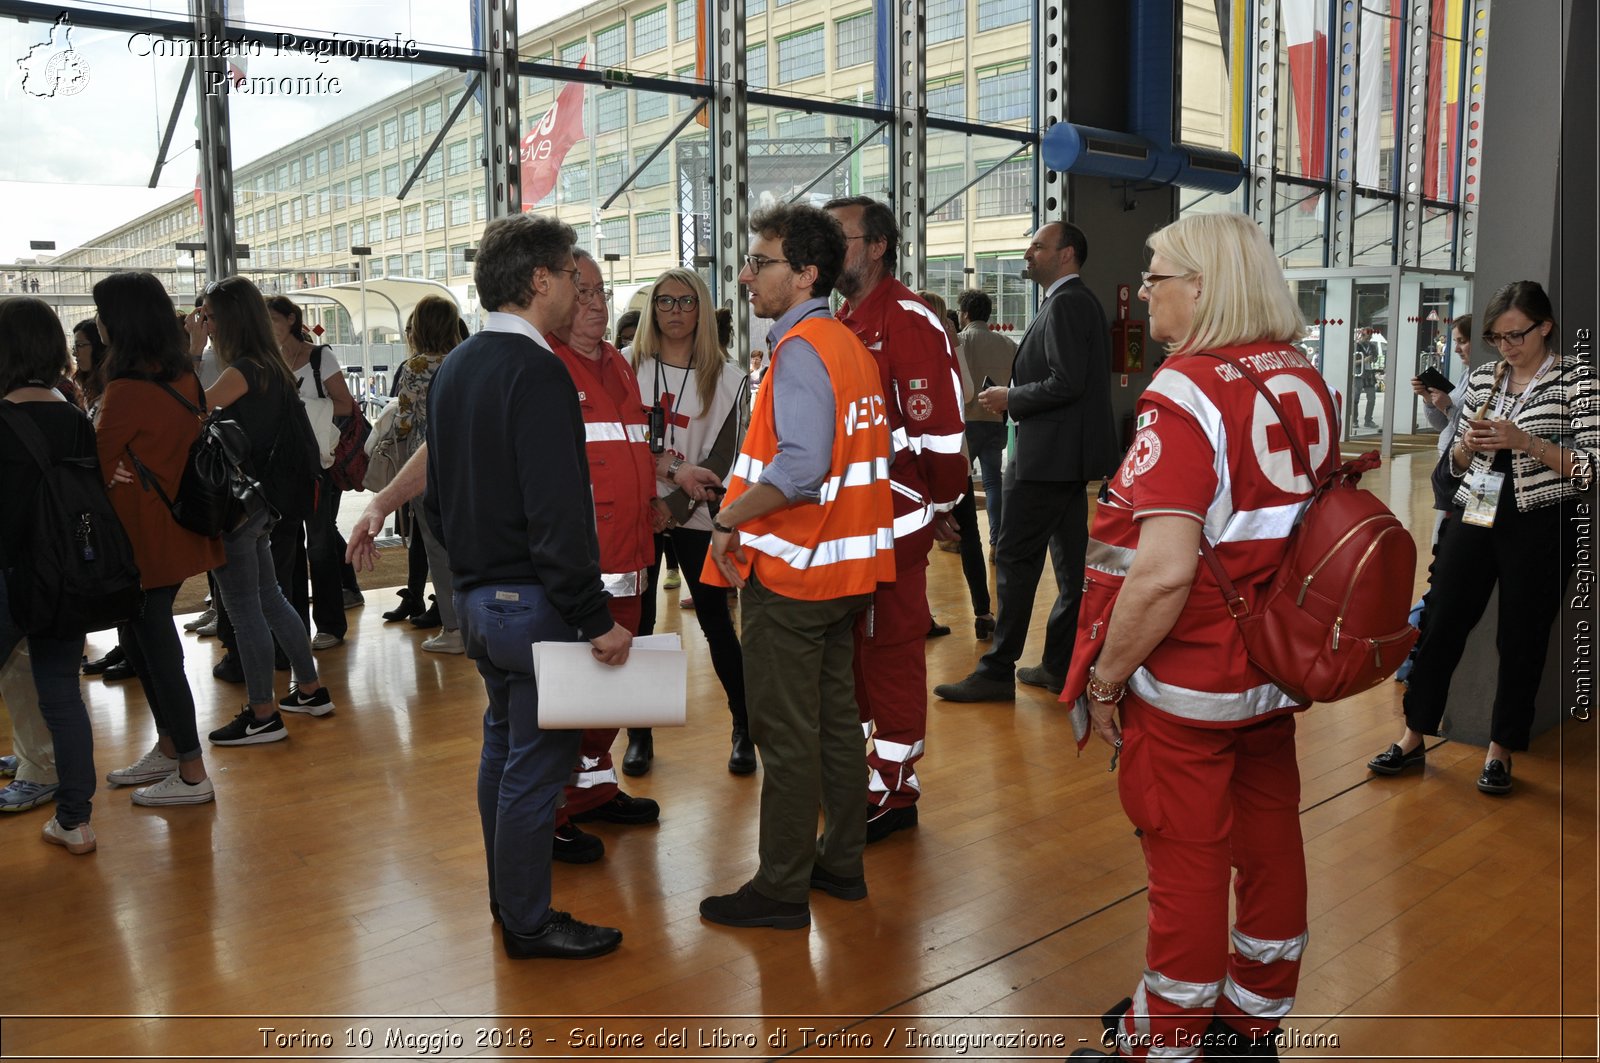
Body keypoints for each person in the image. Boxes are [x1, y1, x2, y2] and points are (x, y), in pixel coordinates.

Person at [1065, 212, 1330, 1060]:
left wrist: (1105, 680)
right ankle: (1252, 1022)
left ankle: (1163, 1044)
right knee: (1271, 844)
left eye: (1157, 276)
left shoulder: (1187, 389)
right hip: (1273, 666)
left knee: (1184, 865)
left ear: (1204, 287)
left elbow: (1163, 570)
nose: (1143, 293)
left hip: (1191, 679)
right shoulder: (1302, 374)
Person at [417, 214, 718, 960]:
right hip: (533, 600)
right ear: (540, 281)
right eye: (568, 276)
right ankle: (526, 919)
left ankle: (505, 897)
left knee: (502, 747)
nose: (580, 291)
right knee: (537, 764)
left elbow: (440, 499)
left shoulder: (456, 366)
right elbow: (557, 511)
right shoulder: (538, 371)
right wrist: (593, 618)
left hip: (481, 599)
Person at [699, 203, 894, 929]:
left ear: (806, 272)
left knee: (783, 734)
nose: (747, 274)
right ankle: (839, 862)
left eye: (762, 261)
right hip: (841, 577)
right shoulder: (844, 344)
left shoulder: (804, 349)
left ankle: (780, 887)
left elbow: (805, 467)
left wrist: (729, 517)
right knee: (836, 726)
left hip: (795, 577)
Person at [1368, 281, 1597, 795]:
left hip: (1542, 520)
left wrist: (1526, 442)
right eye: (1496, 337)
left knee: (1522, 636)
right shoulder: (1482, 378)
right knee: (1441, 619)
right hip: (1479, 505)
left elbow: (1591, 471)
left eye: (1515, 335)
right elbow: (1454, 462)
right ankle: (1413, 735)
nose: (1507, 347)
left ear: (1545, 327)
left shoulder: (1578, 381)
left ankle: (1500, 750)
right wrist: (1466, 448)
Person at [825, 196, 967, 843]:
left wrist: (938, 505)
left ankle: (894, 790)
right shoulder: (844, 321)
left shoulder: (907, 321)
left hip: (893, 529)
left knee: (892, 658)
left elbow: (941, 437)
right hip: (850, 530)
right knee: (856, 659)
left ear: (877, 245)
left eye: (840, 236)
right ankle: (863, 773)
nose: (828, 247)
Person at [935, 222, 1118, 703]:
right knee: (1069, 566)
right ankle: (1059, 665)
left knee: (1015, 561)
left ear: (1067, 255)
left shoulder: (1067, 303)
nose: (1028, 252)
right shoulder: (1074, 302)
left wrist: (1009, 396)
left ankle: (997, 670)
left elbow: (1066, 382)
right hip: (1062, 459)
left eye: (1038, 246)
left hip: (1045, 459)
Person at [543, 249, 666, 862]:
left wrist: (664, 484)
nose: (594, 304)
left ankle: (594, 788)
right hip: (584, 566)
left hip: (634, 556)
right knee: (570, 692)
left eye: (601, 293)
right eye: (582, 292)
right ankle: (555, 808)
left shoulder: (618, 363)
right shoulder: (547, 368)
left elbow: (629, 446)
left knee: (610, 689)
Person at [92, 271, 225, 805]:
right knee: (144, 641)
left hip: (142, 538)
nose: (97, 323)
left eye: (102, 314)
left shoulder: (124, 389)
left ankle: (192, 771)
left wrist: (107, 468)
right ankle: (171, 748)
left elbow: (93, 464)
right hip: (171, 530)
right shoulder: (181, 376)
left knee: (155, 647)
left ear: (118, 321)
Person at [195, 277, 334, 746]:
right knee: (269, 597)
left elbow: (188, 411)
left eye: (209, 316)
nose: (205, 324)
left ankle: (262, 714)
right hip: (265, 502)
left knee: (245, 608)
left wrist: (192, 353)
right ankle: (310, 689)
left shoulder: (242, 370)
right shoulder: (271, 365)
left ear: (229, 318)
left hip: (239, 504)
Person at [630, 268, 755, 776]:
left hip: (696, 515)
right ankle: (637, 733)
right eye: (665, 302)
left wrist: (672, 508)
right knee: (636, 624)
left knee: (715, 622)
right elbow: (619, 440)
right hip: (637, 511)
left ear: (701, 309)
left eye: (686, 302)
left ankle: (744, 727)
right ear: (652, 309)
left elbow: (725, 458)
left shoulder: (729, 380)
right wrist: (650, 502)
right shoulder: (625, 367)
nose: (676, 312)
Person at [0, 296, 102, 854]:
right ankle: (75, 820)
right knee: (63, 695)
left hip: (9, 576)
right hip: (64, 576)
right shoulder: (74, 418)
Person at [266, 296, 357, 650]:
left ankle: (332, 625)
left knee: (319, 545)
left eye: (272, 318)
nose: (267, 325)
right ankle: (294, 627)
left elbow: (346, 404)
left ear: (291, 319)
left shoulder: (320, 357)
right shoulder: (269, 360)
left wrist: (300, 405)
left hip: (320, 461)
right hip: (285, 466)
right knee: (289, 548)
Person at [392, 295, 466, 653]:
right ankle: (474, 620)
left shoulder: (416, 366)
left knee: (436, 548)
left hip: (429, 467)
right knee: (467, 546)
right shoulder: (466, 359)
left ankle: (453, 629)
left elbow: (404, 423)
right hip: (468, 466)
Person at [956, 289, 1017, 555]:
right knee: (993, 483)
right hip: (995, 421)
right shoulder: (1007, 344)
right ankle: (996, 542)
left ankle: (961, 540)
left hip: (967, 422)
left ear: (966, 313)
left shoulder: (960, 341)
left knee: (962, 482)